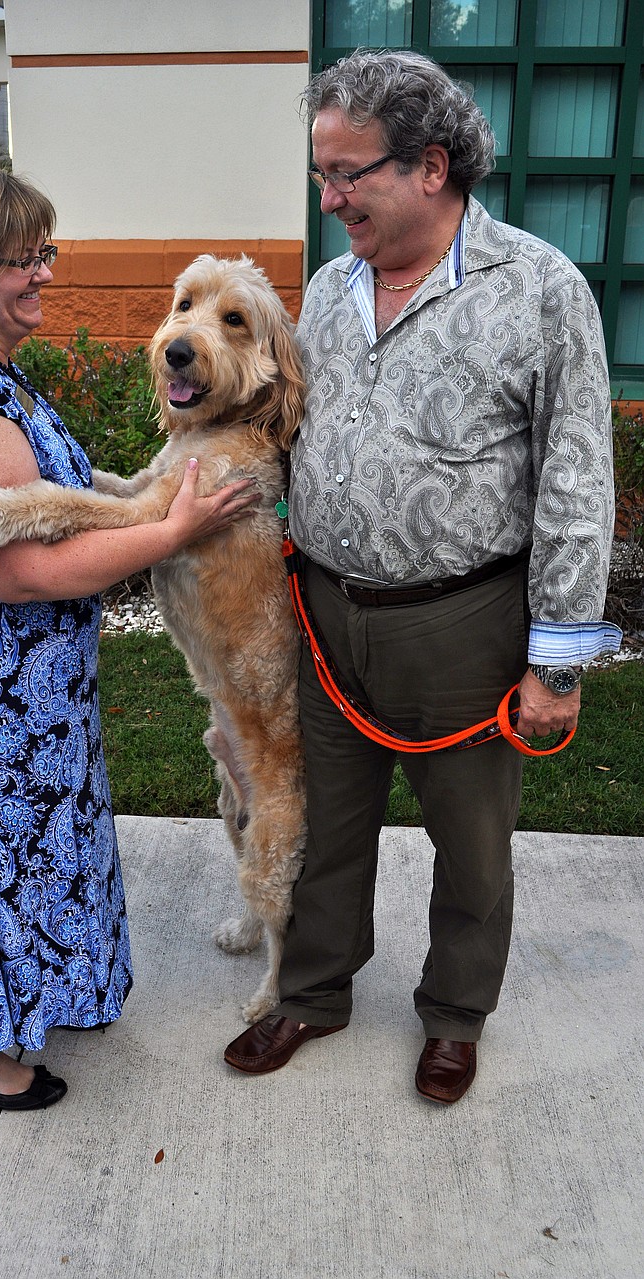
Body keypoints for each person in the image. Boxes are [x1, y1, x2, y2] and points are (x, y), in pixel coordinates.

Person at [223, 49, 622, 1101]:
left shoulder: (541, 291)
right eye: (322, 172)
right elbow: (289, 429)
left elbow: (577, 481)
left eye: (348, 173)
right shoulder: (327, 287)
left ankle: (454, 1011)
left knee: (473, 845)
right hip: (324, 613)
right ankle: (311, 990)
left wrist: (558, 663)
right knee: (326, 824)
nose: (329, 196)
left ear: (431, 166)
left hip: (464, 625)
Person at [0, 163, 257, 1110]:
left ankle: (43, 996)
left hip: (19, 697)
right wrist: (171, 535)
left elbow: (61, 507)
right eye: (24, 259)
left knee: (35, 857)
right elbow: (15, 569)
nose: (46, 273)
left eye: (45, 252)